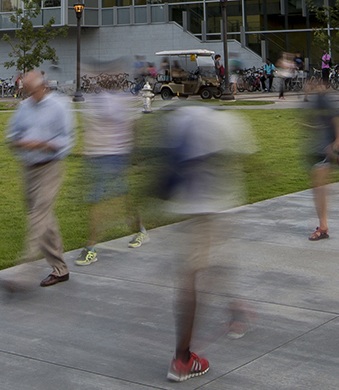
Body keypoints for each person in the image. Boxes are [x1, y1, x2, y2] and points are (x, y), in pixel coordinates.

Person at [162, 105, 258, 382]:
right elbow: (247, 157)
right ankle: (183, 359)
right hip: (218, 208)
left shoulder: (178, 118)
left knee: (202, 270)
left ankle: (234, 307)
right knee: (206, 271)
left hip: (190, 208)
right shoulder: (226, 120)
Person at [0, 70, 75, 291]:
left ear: (43, 87)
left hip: (50, 167)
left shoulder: (59, 106)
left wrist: (42, 144)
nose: (29, 95)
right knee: (44, 218)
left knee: (38, 217)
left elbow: (67, 141)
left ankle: (22, 273)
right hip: (28, 169)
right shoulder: (24, 108)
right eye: (26, 91)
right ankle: (61, 269)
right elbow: (12, 136)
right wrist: (22, 143)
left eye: (32, 90)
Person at [74, 91, 148, 266]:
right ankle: (141, 229)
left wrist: (134, 154)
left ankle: (90, 248)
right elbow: (91, 128)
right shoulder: (93, 99)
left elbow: (133, 126)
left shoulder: (121, 99)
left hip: (116, 156)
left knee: (99, 201)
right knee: (122, 197)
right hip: (99, 157)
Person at [305, 83, 339, 241]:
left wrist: (337, 146)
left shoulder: (325, 101)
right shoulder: (317, 101)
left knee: (320, 189)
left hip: (326, 150)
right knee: (318, 188)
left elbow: (338, 127)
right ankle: (323, 224)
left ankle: (323, 227)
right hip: (318, 149)